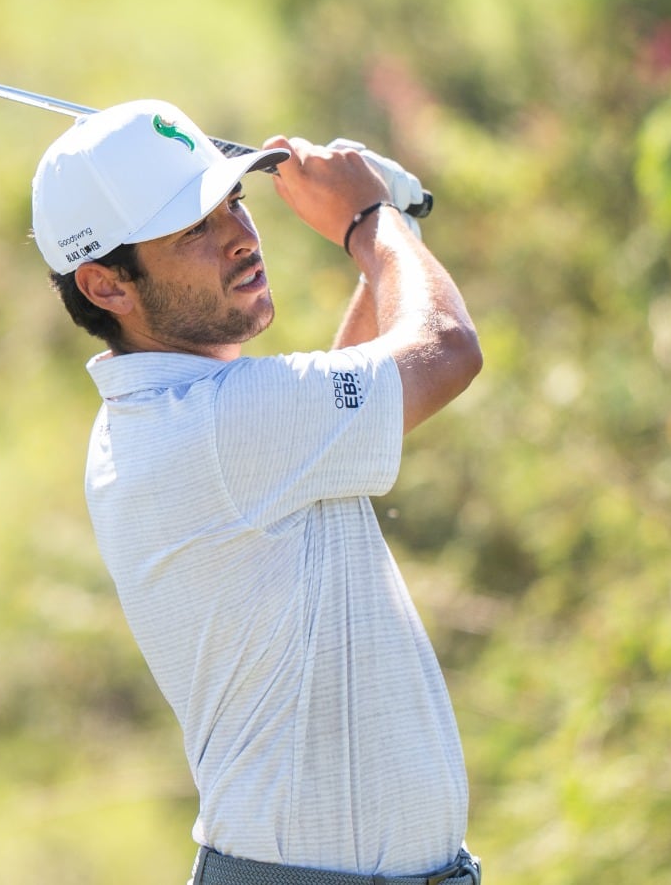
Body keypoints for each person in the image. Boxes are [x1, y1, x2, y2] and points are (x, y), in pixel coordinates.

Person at [31, 99, 484, 885]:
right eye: (192, 231)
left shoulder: (180, 418)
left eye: (233, 201)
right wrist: (368, 221)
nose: (241, 237)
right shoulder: (210, 430)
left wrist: (396, 222)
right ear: (106, 284)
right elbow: (444, 350)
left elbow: (331, 418)